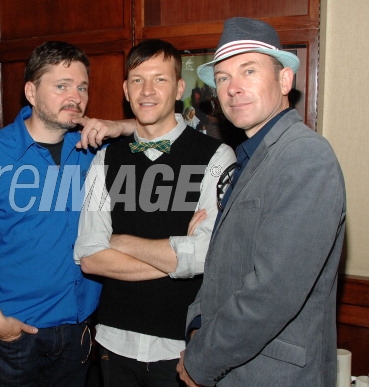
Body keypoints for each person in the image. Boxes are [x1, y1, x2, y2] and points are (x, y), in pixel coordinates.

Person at [0, 41, 135, 387]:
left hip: (78, 325)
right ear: (31, 92)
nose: (76, 96)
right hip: (16, 332)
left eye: (82, 87)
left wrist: (117, 126)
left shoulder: (94, 149)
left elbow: (159, 131)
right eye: (62, 85)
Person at [176, 17, 346, 387]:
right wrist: (197, 327)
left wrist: (201, 360)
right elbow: (222, 267)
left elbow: (272, 293)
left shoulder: (304, 156)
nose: (233, 88)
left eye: (248, 70)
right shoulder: (251, 156)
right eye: (222, 78)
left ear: (285, 80)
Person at [74, 39, 236, 387]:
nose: (147, 90)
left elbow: (208, 257)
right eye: (137, 80)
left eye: (160, 79)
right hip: (112, 341)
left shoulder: (215, 157)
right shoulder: (106, 158)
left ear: (179, 88)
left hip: (181, 348)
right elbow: (89, 256)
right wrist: (178, 255)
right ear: (125, 90)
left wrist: (119, 242)